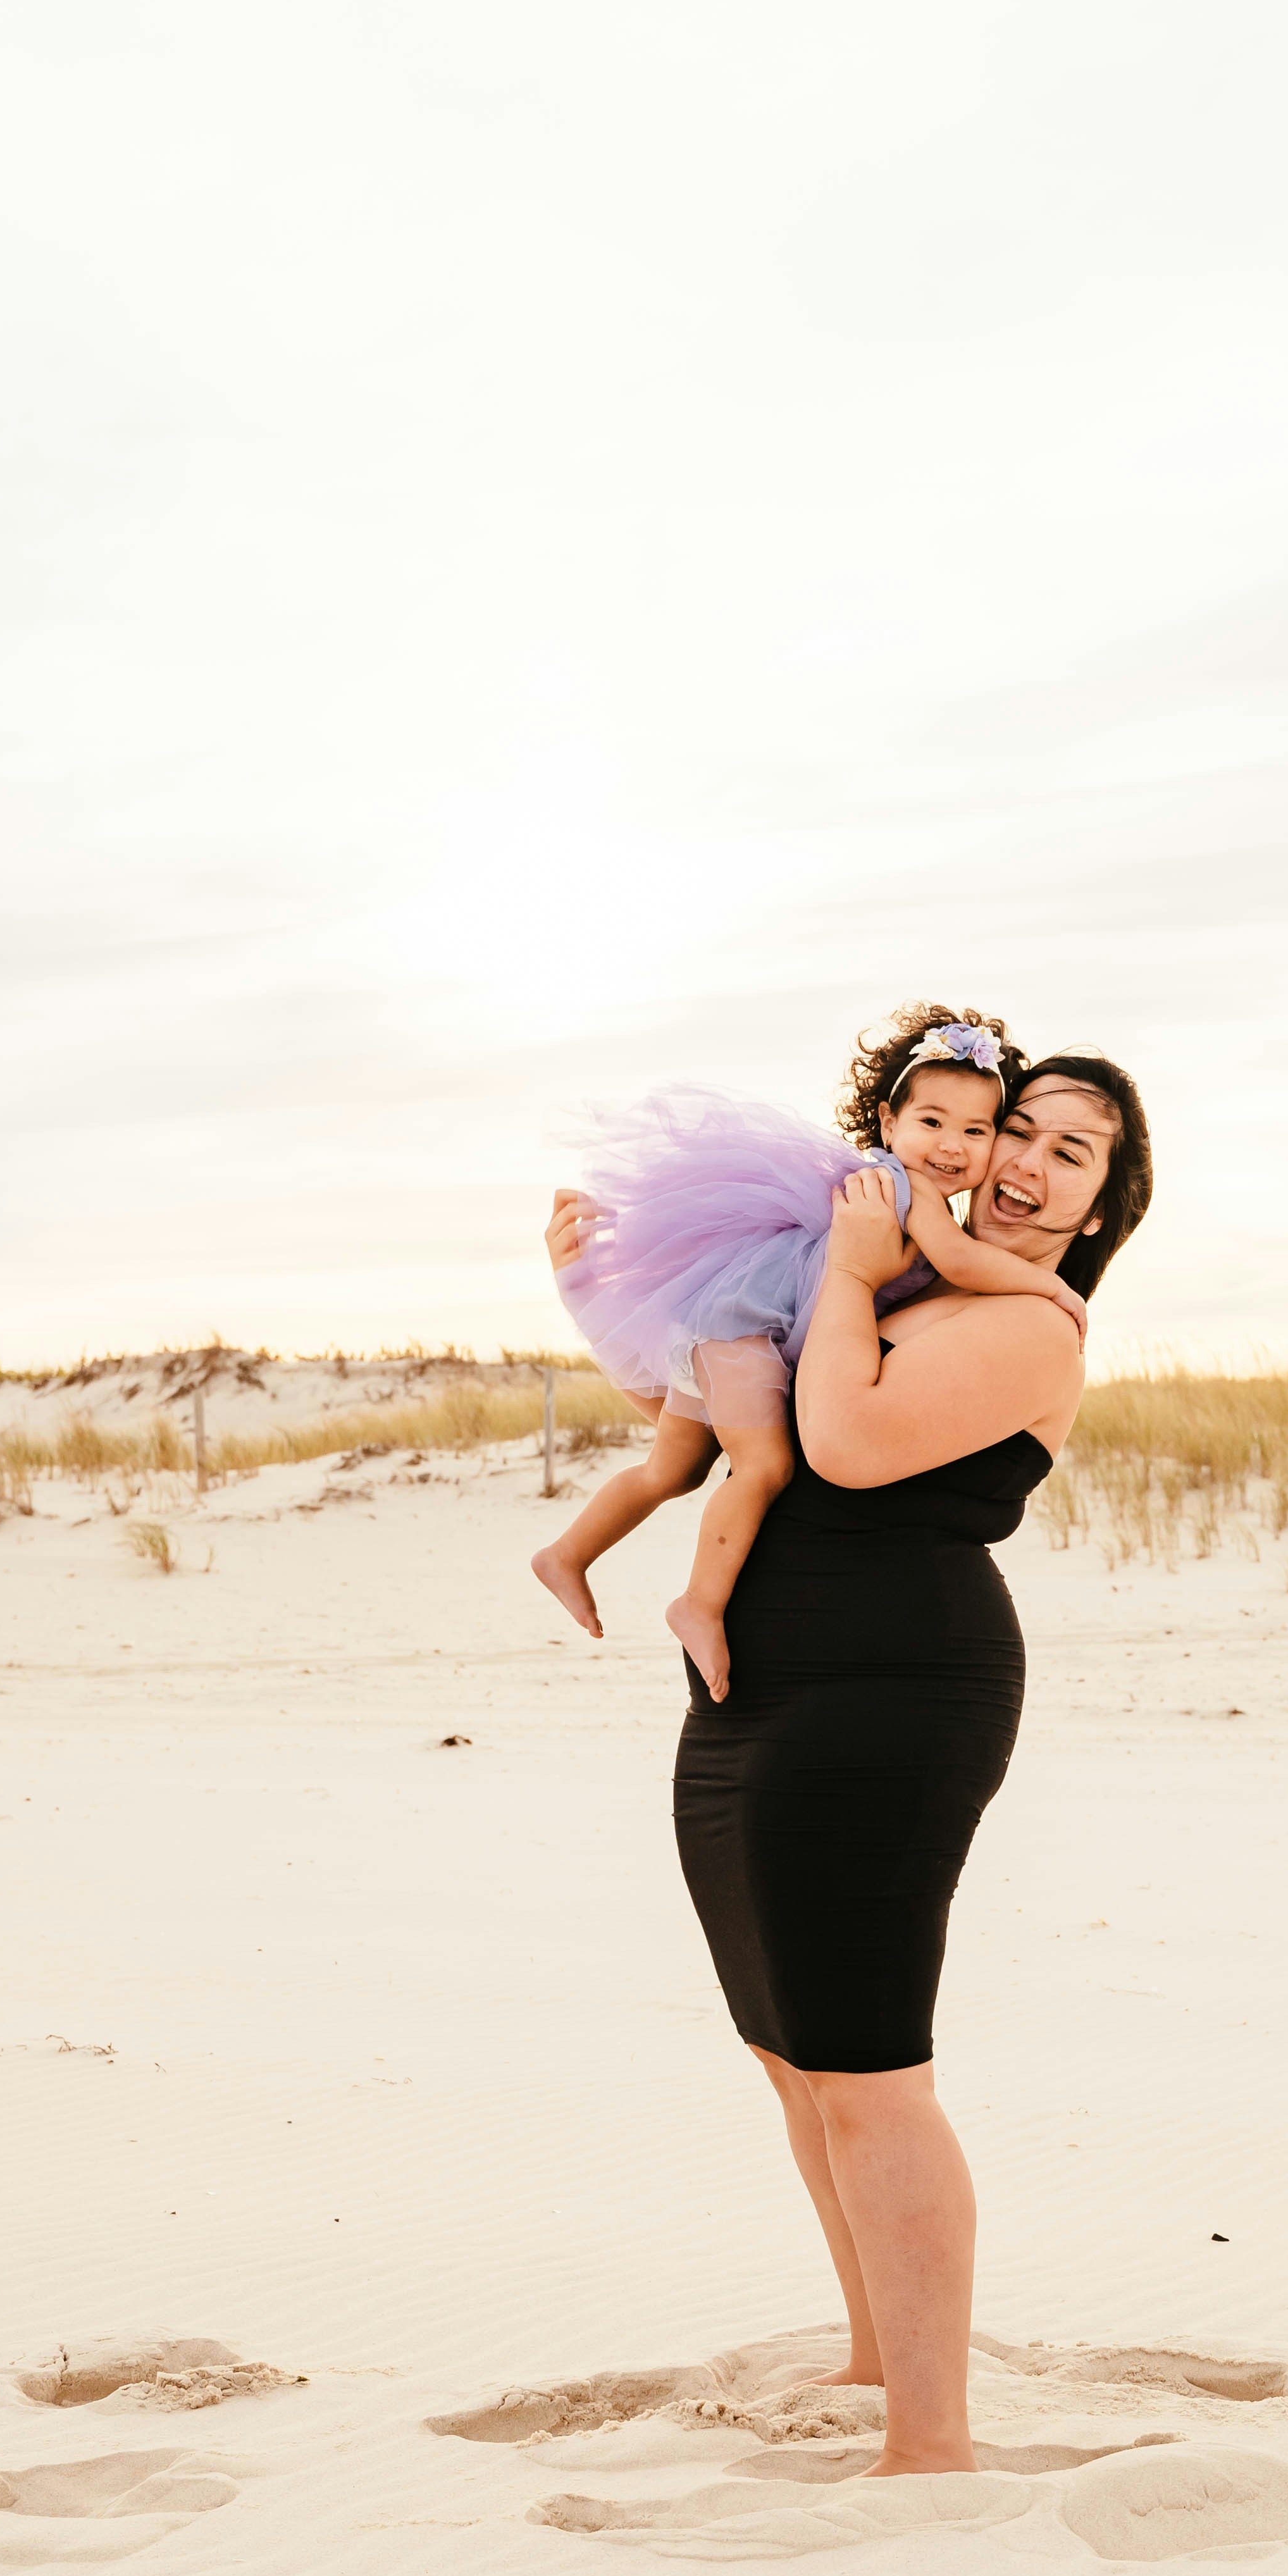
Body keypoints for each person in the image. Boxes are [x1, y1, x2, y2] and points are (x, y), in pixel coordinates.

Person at [542, 1051, 1153, 2475]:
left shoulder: (1033, 1329)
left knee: (873, 2068)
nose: (1026, 1160)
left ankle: (930, 2440)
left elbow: (849, 1439)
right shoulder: (887, 1280)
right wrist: (588, 1295)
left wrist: (854, 1265)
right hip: (756, 1691)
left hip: (891, 1694)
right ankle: (880, 2352)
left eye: (1076, 1151)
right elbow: (700, 1420)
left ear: (1104, 1205)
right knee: (793, 2052)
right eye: (1019, 1129)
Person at [531, 1006, 1088, 1697]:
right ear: (888, 1122)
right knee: (759, 1466)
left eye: (976, 1130)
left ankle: (568, 1552)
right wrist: (1051, 1287)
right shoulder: (899, 1191)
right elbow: (959, 1257)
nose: (951, 1144)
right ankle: (698, 1602)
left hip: (734, 1328)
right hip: (743, 1328)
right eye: (932, 1121)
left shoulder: (904, 1210)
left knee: (673, 1467)